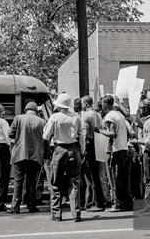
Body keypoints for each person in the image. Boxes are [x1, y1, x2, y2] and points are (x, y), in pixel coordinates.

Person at [43, 93, 85, 222]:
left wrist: (47, 154)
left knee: (56, 183)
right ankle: (76, 213)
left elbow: (46, 136)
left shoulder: (54, 117)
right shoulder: (76, 117)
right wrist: (82, 151)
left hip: (59, 149)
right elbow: (81, 136)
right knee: (74, 182)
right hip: (74, 149)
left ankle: (56, 214)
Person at [8, 102, 47, 214]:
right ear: (36, 111)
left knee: (18, 181)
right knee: (32, 182)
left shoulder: (18, 118)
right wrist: (45, 155)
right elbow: (46, 140)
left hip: (20, 154)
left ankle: (15, 207)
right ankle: (32, 206)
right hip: (35, 155)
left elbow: (11, 134)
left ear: (25, 110)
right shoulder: (42, 122)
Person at [95, 95, 129, 212]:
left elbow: (112, 133)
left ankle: (117, 204)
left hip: (116, 148)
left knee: (115, 177)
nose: (102, 107)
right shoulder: (119, 114)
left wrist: (99, 130)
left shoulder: (110, 116)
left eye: (103, 104)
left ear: (106, 104)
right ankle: (123, 202)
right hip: (123, 146)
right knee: (121, 177)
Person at [81, 95, 105, 212]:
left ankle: (96, 202)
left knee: (91, 175)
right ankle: (99, 200)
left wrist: (83, 149)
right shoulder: (98, 115)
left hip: (90, 144)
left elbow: (85, 134)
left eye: (82, 103)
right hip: (98, 143)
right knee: (96, 173)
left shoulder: (85, 115)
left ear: (85, 103)